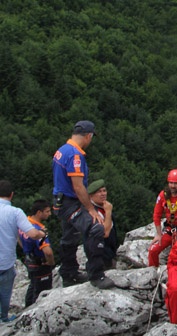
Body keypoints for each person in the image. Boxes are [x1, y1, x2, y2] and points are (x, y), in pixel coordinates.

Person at [52, 120, 114, 289]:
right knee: (95, 228)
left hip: (60, 200)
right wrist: (90, 209)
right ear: (88, 136)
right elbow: (78, 186)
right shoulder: (75, 156)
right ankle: (96, 275)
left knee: (69, 236)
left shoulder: (62, 150)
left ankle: (69, 273)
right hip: (70, 202)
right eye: (91, 137)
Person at [0, 180, 47, 322]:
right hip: (5, 261)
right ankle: (3, 317)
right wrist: (42, 233)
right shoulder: (15, 212)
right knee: (5, 289)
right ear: (12, 195)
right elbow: (32, 234)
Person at [19, 199, 55, 308]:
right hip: (41, 264)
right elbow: (48, 252)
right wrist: (51, 263)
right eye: (47, 211)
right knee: (41, 292)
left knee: (33, 286)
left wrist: (26, 249)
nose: (50, 214)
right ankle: (35, 314)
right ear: (39, 213)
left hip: (30, 261)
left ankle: (27, 309)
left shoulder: (24, 223)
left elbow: (18, 238)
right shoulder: (38, 231)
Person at [88, 179, 119, 270]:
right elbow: (105, 233)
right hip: (101, 255)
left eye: (104, 191)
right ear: (91, 196)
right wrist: (108, 212)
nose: (103, 194)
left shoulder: (104, 206)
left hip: (110, 252)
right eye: (99, 192)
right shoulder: (93, 212)